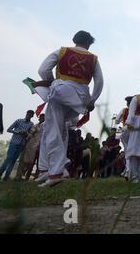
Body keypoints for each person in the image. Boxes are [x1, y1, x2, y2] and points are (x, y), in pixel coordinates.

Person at [35, 30, 104, 187]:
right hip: (80, 98)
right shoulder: (93, 59)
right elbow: (99, 82)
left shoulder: (62, 51)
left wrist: (52, 82)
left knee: (53, 130)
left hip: (60, 93)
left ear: (74, 39)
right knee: (59, 129)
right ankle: (51, 168)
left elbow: (43, 70)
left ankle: (56, 172)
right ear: (89, 43)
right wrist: (92, 101)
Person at [0, 110, 34, 181]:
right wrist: (18, 132)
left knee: (14, 160)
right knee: (9, 158)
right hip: (14, 142)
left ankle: (6, 177)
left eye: (31, 115)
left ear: (32, 116)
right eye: (28, 114)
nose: (29, 115)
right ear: (26, 114)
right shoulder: (19, 121)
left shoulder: (31, 124)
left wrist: (26, 134)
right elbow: (9, 129)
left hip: (22, 144)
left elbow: (30, 135)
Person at [15, 113, 45, 180]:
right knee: (30, 162)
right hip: (33, 147)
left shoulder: (47, 127)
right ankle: (26, 177)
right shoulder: (35, 126)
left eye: (43, 118)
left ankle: (36, 178)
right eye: (41, 117)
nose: (42, 119)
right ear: (39, 118)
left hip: (42, 148)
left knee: (39, 164)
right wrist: (27, 138)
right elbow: (31, 134)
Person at [115, 96, 133, 179]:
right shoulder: (137, 111)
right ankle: (128, 171)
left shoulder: (124, 110)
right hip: (135, 131)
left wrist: (121, 119)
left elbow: (117, 120)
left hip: (125, 129)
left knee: (127, 151)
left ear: (127, 103)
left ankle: (127, 170)